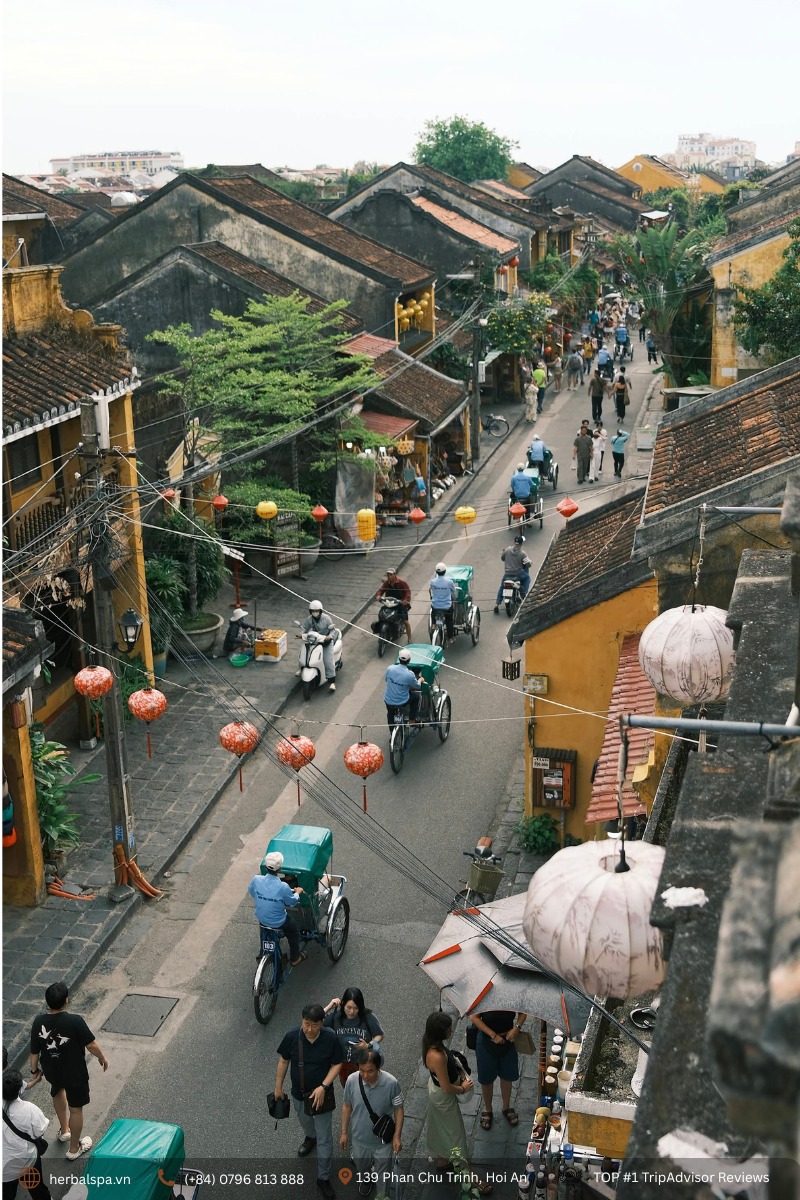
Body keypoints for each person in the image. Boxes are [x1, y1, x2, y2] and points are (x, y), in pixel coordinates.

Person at [30, 981, 108, 1162]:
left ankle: (65, 1130)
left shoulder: (38, 1022)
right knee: (76, 1108)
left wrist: (34, 1070)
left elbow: (34, 1051)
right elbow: (91, 1045)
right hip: (74, 1072)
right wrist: (102, 1058)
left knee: (57, 1090)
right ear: (66, 1000)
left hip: (52, 1070)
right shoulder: (75, 1021)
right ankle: (74, 1148)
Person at [276, 1003, 344, 1200]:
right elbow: (283, 1061)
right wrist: (278, 1087)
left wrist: (323, 1087)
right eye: (306, 1024)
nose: (309, 1029)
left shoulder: (330, 1038)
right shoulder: (292, 1036)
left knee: (325, 1138)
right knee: (306, 1123)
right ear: (302, 1021)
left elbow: (337, 1063)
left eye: (314, 1025)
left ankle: (323, 1177)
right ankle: (309, 1137)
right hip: (298, 1094)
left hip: (321, 1097)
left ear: (322, 1023)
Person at [423, 1012, 492, 1196]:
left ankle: (443, 1160)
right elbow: (447, 1087)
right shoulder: (438, 1056)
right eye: (448, 1028)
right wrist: (463, 1088)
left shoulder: (430, 1046)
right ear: (440, 1032)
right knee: (456, 1136)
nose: (451, 1030)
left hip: (434, 1091)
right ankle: (469, 1177)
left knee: (439, 1126)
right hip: (444, 1097)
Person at [341, 1050, 403, 1196]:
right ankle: (366, 1180)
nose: (365, 1075)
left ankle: (382, 1195)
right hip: (359, 1139)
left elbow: (398, 1109)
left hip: (383, 1142)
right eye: (361, 1070)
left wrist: (397, 1136)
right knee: (361, 1167)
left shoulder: (392, 1083)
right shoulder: (351, 1080)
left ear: (378, 1067)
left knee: (383, 1175)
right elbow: (347, 1106)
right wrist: (344, 1133)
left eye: (370, 1071)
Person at [470, 1009, 528, 1132]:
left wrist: (516, 1028)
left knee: (507, 1076)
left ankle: (506, 1107)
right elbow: (474, 1018)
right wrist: (494, 1035)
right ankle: (488, 1109)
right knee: (486, 1079)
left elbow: (523, 1012)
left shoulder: (514, 993)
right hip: (487, 1041)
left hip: (508, 1039)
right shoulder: (484, 993)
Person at [249, 851, 305, 967]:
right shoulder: (283, 887)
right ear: (279, 870)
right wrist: (298, 892)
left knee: (264, 929)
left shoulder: (256, 879)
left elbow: (252, 892)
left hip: (262, 918)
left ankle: (262, 953)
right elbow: (292, 902)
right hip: (279, 921)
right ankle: (295, 957)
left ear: (265, 866)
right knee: (293, 929)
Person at [2, 1068, 52, 1200]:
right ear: (19, 1089)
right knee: (37, 1189)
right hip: (27, 1161)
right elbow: (40, 1131)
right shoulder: (29, 1109)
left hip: (4, 1169)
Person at [323, 989, 384, 1086]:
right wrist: (330, 1006)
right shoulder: (336, 1017)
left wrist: (368, 1045)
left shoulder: (368, 1017)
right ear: (343, 1004)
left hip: (364, 1062)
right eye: (348, 1007)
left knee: (369, 1088)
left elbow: (379, 1035)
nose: (352, 1011)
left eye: (356, 1008)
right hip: (344, 1064)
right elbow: (315, 1021)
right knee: (350, 1090)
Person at [301, 601, 340, 692]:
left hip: (326, 641)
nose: (315, 612)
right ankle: (301, 668)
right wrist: (301, 634)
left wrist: (329, 637)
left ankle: (332, 682)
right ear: (310, 611)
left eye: (317, 610)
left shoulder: (326, 618)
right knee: (304, 653)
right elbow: (305, 629)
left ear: (320, 611)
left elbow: (332, 630)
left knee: (328, 661)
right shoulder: (309, 619)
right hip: (315, 640)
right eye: (313, 611)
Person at [383, 649, 422, 729]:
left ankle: (392, 734)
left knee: (390, 714)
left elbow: (386, 679)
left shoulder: (390, 668)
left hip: (388, 700)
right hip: (402, 701)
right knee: (416, 697)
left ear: (399, 658)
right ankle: (412, 719)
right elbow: (417, 686)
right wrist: (420, 680)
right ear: (409, 660)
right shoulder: (409, 674)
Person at [494, 535, 531, 613]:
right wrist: (529, 563)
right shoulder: (523, 553)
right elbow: (528, 564)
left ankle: (497, 604)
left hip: (507, 574)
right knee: (527, 578)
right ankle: (524, 593)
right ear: (521, 544)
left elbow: (502, 558)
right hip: (518, 574)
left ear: (514, 542)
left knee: (502, 587)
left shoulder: (507, 550)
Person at [375, 569, 412, 644]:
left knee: (406, 622)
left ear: (395, 574)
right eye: (388, 574)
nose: (389, 576)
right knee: (381, 615)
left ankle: (410, 639)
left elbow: (407, 592)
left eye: (391, 574)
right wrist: (378, 595)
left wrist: (405, 600)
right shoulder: (386, 583)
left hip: (400, 604)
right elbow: (381, 590)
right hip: (388, 603)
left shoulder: (402, 583)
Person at [429, 563, 456, 642]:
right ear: (445, 571)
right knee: (449, 620)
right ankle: (450, 637)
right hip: (447, 606)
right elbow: (453, 592)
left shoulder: (432, 582)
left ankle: (433, 624)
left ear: (436, 572)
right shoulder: (449, 582)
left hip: (436, 606)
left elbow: (432, 590)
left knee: (433, 611)